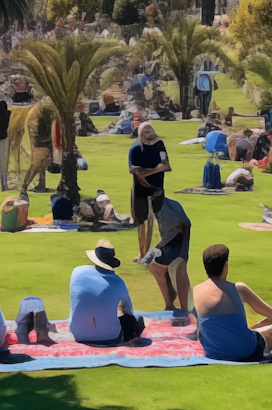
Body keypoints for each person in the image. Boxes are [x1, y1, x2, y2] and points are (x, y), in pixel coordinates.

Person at [192, 243, 272, 360]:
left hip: (214, 353)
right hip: (245, 350)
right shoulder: (238, 289)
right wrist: (252, 329)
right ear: (225, 267)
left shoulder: (196, 291)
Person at [68, 239, 145, 342]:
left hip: (78, 334)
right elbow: (129, 310)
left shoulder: (77, 271)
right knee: (134, 318)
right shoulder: (118, 282)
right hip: (109, 337)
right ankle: (131, 338)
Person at [128, 122, 170, 260]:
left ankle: (150, 252)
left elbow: (167, 166)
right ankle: (142, 252)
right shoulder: (135, 149)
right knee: (142, 223)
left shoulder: (159, 145)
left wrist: (163, 167)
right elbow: (135, 171)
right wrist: (156, 169)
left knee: (155, 221)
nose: (150, 136)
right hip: (141, 191)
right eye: (147, 133)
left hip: (157, 189)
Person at [146, 191, 192, 313]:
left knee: (160, 267)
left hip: (178, 236)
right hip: (179, 235)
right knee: (177, 270)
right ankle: (178, 307)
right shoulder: (170, 204)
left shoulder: (164, 211)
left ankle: (173, 306)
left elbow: (173, 233)